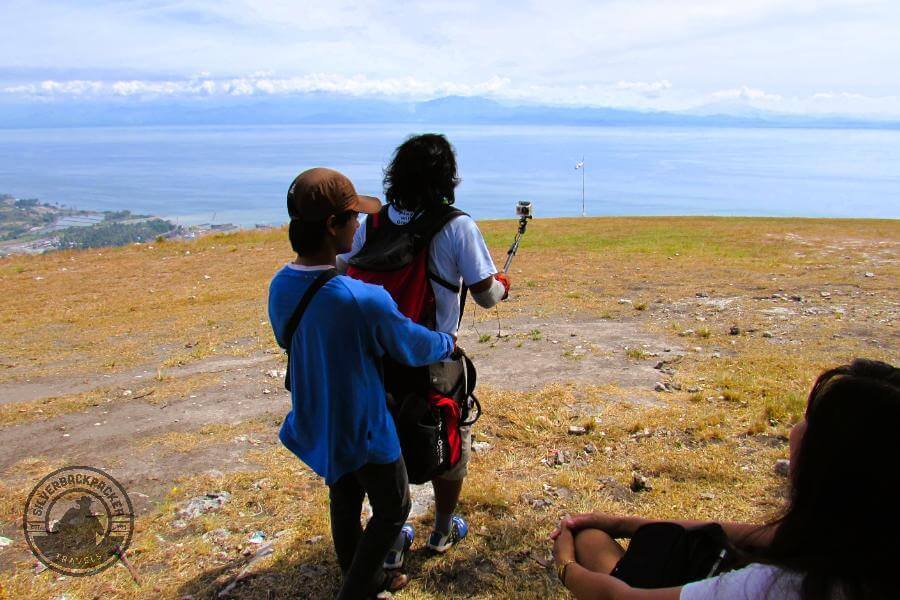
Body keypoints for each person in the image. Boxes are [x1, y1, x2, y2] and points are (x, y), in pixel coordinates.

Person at [550, 358, 898, 599]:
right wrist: (625, 523)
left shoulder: (775, 588)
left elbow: (622, 599)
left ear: (833, 465)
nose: (797, 428)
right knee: (599, 537)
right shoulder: (868, 543)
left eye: (813, 422)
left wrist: (565, 565)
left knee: (590, 544)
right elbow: (763, 535)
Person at [268, 167, 456, 599]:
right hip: (366, 424)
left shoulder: (281, 284)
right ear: (333, 226)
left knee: (345, 495)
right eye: (353, 217)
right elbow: (412, 345)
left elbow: (286, 337)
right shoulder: (360, 297)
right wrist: (448, 341)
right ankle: (356, 590)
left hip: (321, 414)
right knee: (394, 507)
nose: (361, 223)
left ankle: (358, 571)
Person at [338, 133, 511, 566]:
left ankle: (391, 538)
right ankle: (442, 528)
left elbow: (346, 269)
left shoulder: (373, 224)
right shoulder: (457, 226)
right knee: (448, 436)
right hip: (431, 354)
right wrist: (504, 286)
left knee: (386, 440)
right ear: (447, 176)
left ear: (396, 174)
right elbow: (486, 296)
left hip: (376, 355)